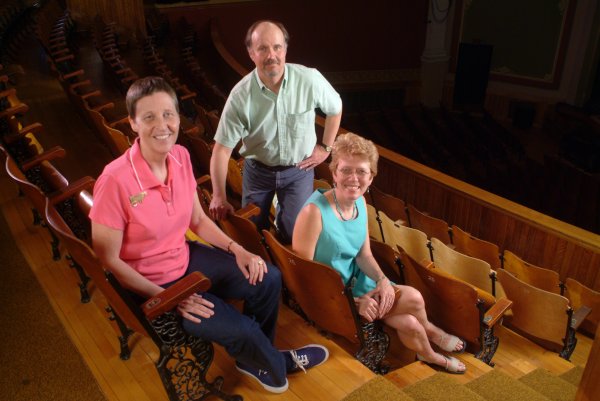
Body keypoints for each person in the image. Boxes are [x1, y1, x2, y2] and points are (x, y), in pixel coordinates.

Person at [89, 76, 329, 394]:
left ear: (177, 116)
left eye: (168, 114)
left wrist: (237, 250)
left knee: (268, 277)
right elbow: (109, 260)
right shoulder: (114, 181)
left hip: (185, 256)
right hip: (154, 284)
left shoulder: (180, 156)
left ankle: (256, 357)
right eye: (148, 116)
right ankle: (273, 361)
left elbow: (198, 220)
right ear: (133, 122)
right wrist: (169, 298)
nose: (162, 125)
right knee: (242, 329)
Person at [292, 132, 467, 374]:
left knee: (409, 323)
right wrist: (355, 303)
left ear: (371, 178)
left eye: (362, 171)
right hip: (333, 297)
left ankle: (429, 355)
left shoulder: (361, 203)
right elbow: (304, 278)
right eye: (346, 170)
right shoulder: (314, 213)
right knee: (414, 298)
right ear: (333, 173)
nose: (354, 178)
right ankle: (433, 334)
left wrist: (383, 281)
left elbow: (363, 255)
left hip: (360, 283)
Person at [209, 20, 342, 243]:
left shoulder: (309, 79)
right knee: (251, 231)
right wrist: (219, 196)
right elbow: (221, 150)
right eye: (262, 48)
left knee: (295, 234)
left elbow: (335, 109)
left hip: (298, 171)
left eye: (277, 47)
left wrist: (326, 147)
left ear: (286, 49)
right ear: (251, 53)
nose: (272, 55)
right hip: (258, 172)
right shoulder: (240, 95)